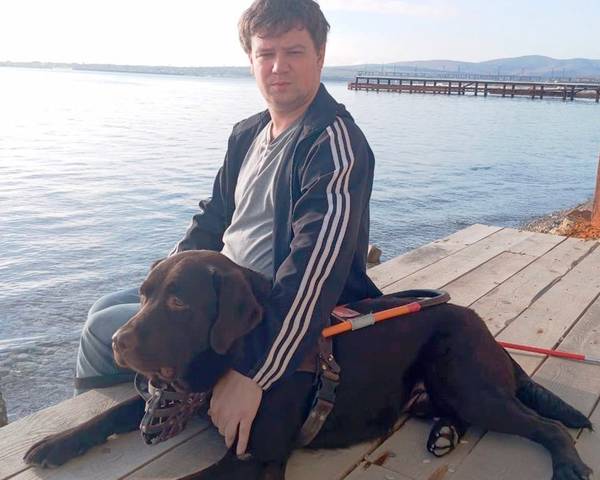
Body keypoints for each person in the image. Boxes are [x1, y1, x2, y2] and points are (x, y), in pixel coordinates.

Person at [75, 0, 381, 457]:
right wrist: (167, 279)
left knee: (103, 331)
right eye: (266, 53)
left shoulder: (333, 144)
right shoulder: (248, 134)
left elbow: (314, 272)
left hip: (261, 306)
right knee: (105, 306)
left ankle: (132, 435)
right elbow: (212, 219)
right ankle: (158, 393)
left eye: (294, 52)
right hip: (218, 284)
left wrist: (254, 372)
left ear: (320, 56)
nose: (278, 66)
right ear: (251, 60)